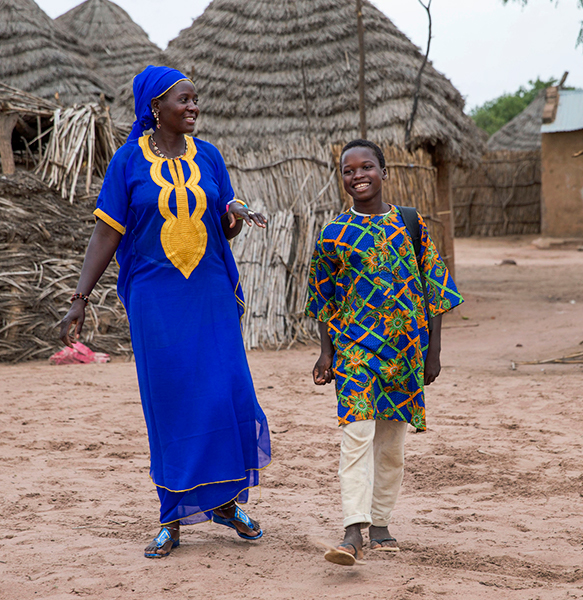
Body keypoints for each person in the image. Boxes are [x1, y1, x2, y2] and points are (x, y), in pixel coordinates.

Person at [59, 66, 271, 558]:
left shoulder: (210, 157)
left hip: (211, 293)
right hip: (156, 299)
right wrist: (79, 298)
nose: (194, 107)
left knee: (223, 394)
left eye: (196, 99)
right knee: (171, 402)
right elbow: (107, 233)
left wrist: (235, 218)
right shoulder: (128, 161)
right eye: (184, 100)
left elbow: (222, 225)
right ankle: (172, 516)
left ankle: (226, 502)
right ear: (156, 107)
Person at [305, 139, 464, 565]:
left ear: (384, 172)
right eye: (348, 170)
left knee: (391, 443)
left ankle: (380, 523)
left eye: (366, 167)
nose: (357, 175)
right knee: (356, 435)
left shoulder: (411, 224)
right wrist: (326, 353)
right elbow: (323, 298)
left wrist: (434, 351)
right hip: (355, 348)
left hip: (407, 350)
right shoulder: (333, 233)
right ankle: (353, 530)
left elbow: (436, 289)